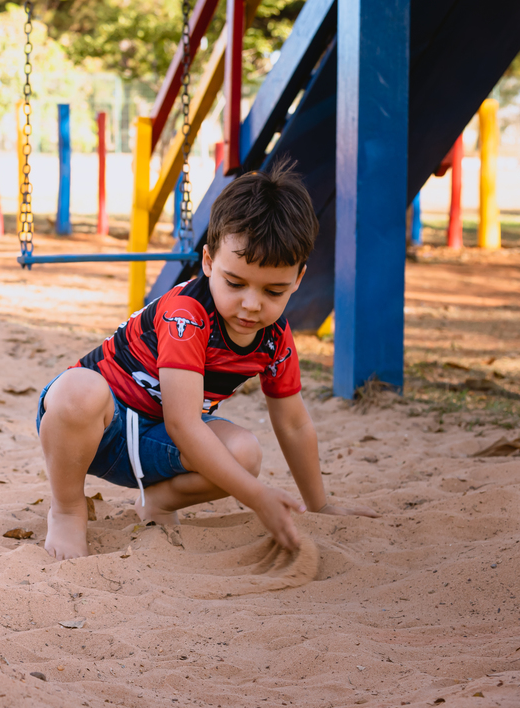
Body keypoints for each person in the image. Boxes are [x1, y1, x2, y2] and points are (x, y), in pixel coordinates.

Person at [38, 162, 377, 560]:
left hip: (157, 443)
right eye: (235, 283)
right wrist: (256, 497)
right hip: (92, 430)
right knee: (79, 390)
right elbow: (184, 423)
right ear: (209, 262)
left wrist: (317, 505)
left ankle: (158, 503)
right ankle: (67, 509)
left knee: (245, 452)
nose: (251, 304)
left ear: (298, 279)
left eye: (274, 290)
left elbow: (294, 422)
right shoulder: (186, 314)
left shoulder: (275, 338)